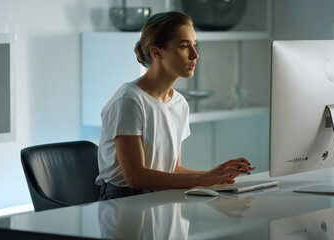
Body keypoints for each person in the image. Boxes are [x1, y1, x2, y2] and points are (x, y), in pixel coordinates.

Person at [96, 11, 254, 200]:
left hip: (162, 194)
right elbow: (135, 178)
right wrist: (203, 178)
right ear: (156, 52)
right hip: (124, 200)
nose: (195, 55)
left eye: (194, 45)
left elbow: (173, 169)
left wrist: (216, 174)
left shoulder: (179, 103)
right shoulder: (129, 101)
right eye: (184, 46)